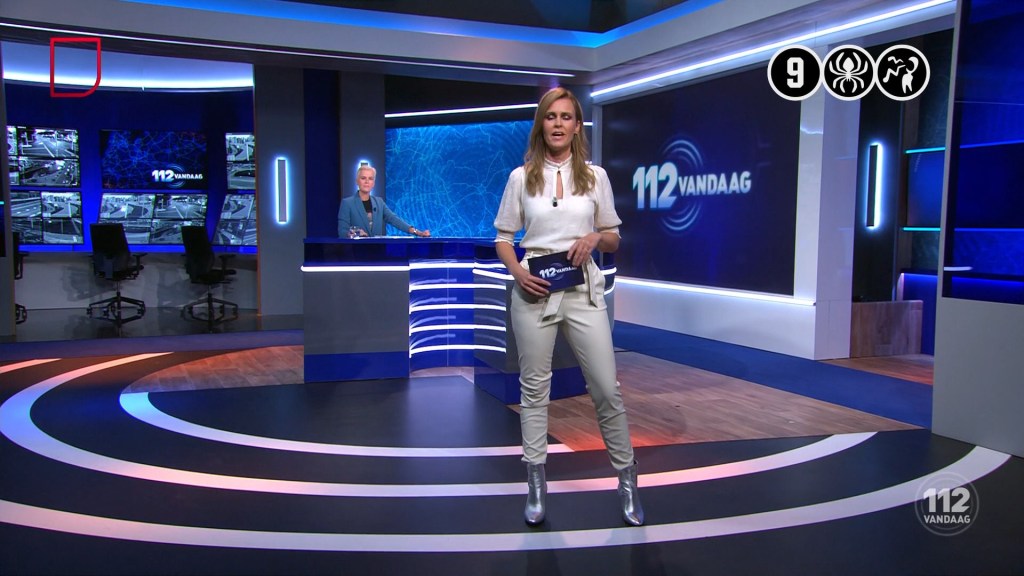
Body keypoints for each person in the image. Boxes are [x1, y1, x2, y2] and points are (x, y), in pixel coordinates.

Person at [493, 87, 644, 527]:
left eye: (566, 117)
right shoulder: (521, 177)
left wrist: (595, 237)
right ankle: (536, 485)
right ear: (541, 124)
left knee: (606, 388)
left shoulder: (595, 177)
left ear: (577, 126)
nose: (558, 124)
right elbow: (503, 238)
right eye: (550, 116)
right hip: (533, 290)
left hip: (583, 293)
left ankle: (627, 480)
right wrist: (517, 272)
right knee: (534, 390)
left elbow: (613, 237)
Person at [338, 164, 430, 238]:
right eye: (363, 178)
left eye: (370, 179)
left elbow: (394, 220)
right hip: (356, 252)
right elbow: (342, 231)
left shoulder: (379, 202)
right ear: (357, 181)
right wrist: (355, 233)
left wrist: (417, 232)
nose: (367, 181)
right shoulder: (347, 203)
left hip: (378, 250)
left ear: (373, 183)